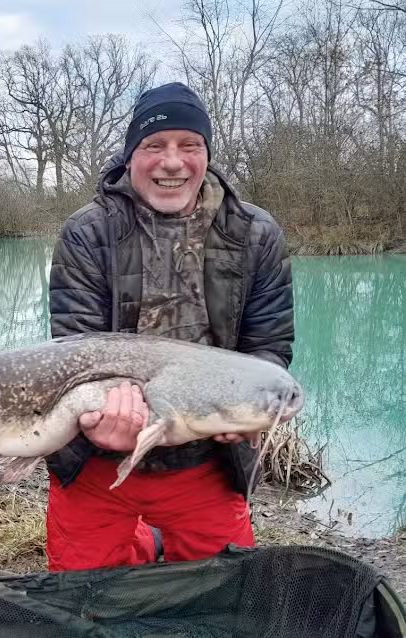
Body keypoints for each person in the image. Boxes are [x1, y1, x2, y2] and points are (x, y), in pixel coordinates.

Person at [42, 81, 294, 571]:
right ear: (131, 155)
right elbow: (75, 353)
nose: (172, 162)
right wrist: (104, 426)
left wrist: (248, 411)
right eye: (154, 145)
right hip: (93, 461)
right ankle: (142, 541)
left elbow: (269, 346)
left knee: (225, 594)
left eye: (189, 145)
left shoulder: (256, 233)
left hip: (206, 465)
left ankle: (152, 538)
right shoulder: (86, 232)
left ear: (206, 153)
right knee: (81, 601)